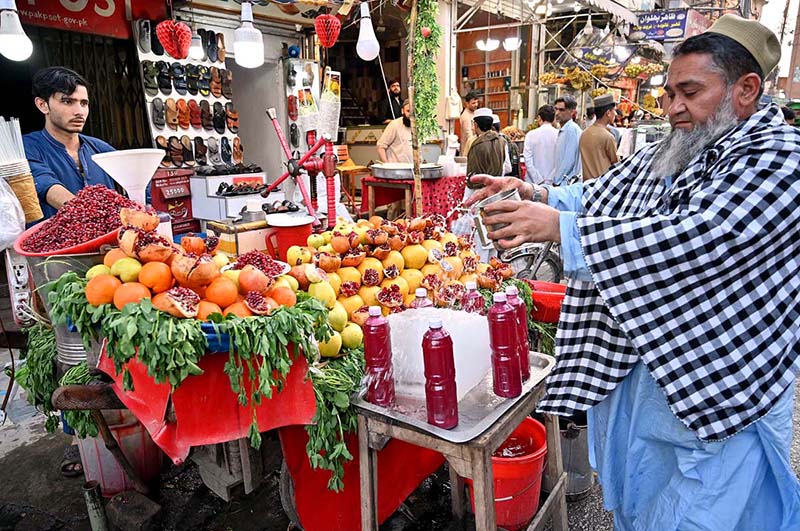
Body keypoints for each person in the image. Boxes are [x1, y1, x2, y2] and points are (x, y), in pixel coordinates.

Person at [465, 14, 800, 530]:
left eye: (690, 91)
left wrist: (562, 229)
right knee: (642, 505)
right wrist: (537, 194)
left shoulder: (779, 160)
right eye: (669, 94)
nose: (673, 108)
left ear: (746, 89)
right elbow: (604, 192)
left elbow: (701, 239)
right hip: (650, 380)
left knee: (708, 515)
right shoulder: (673, 149)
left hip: (723, 392)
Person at [24, 67, 117, 221]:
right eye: (67, 101)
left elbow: (136, 175)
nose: (79, 111)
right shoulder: (27, 147)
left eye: (84, 103)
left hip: (109, 243)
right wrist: (96, 219)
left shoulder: (100, 148)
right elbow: (45, 184)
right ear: (42, 105)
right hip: (57, 243)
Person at [578, 94, 619, 181]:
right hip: (602, 187)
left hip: (587, 186)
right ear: (608, 113)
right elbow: (616, 164)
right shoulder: (608, 137)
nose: (615, 113)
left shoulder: (584, 133)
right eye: (614, 110)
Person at [549, 95, 582, 185]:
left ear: (572, 112)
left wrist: (557, 181)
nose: (557, 113)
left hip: (566, 183)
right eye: (556, 109)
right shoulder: (564, 129)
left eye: (561, 110)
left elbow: (569, 160)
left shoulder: (572, 130)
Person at [522, 104, 558, 186]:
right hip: (553, 183)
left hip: (532, 183)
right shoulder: (559, 135)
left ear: (539, 118)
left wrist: (538, 179)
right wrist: (549, 180)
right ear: (553, 119)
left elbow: (527, 160)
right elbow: (561, 161)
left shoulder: (530, 135)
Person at [466, 107, 505, 181]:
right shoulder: (502, 141)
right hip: (497, 184)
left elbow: (471, 171)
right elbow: (507, 167)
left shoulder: (476, 144)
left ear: (476, 125)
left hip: (479, 187)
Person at [459, 90, 481, 156]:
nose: (476, 105)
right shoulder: (465, 116)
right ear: (467, 103)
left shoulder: (475, 113)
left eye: (477, 102)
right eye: (473, 103)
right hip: (468, 149)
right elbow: (469, 135)